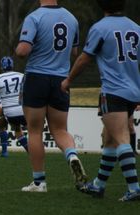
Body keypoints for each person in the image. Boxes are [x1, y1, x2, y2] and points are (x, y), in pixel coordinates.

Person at [61, 0, 140, 201]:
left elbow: (85, 58)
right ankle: (99, 185)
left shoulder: (100, 28)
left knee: (120, 137)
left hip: (113, 91)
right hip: (133, 91)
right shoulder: (136, 27)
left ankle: (134, 188)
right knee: (109, 138)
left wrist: (69, 80)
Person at [15, 0, 87, 192]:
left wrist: (20, 48)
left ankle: (39, 182)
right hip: (61, 80)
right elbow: (73, 51)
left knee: (35, 130)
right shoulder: (72, 18)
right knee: (60, 130)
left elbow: (23, 51)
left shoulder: (35, 17)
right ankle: (71, 155)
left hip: (37, 77)